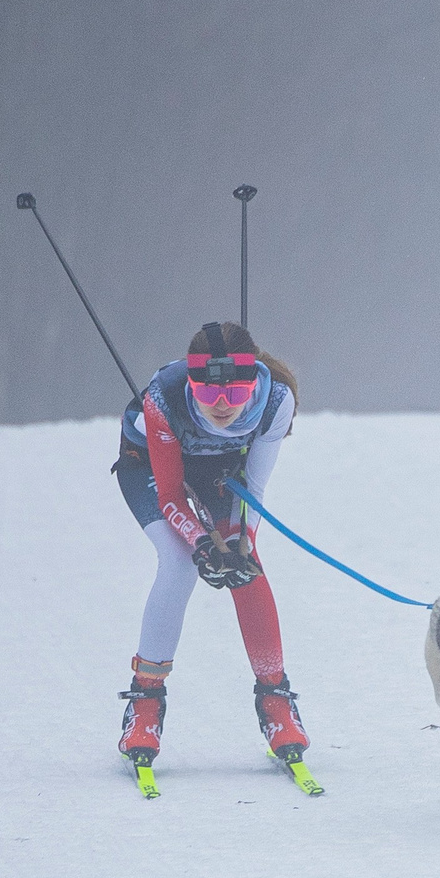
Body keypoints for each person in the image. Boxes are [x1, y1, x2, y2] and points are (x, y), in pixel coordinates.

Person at [114, 321, 308, 775]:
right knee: (181, 564)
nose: (222, 406)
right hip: (150, 467)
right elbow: (169, 494)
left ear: (255, 381)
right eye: (207, 394)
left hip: (221, 473)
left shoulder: (277, 401)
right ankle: (146, 701)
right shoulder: (162, 399)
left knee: (247, 567)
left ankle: (276, 701)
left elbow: (255, 487)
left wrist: (240, 544)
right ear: (191, 383)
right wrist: (202, 544)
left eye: (237, 395)